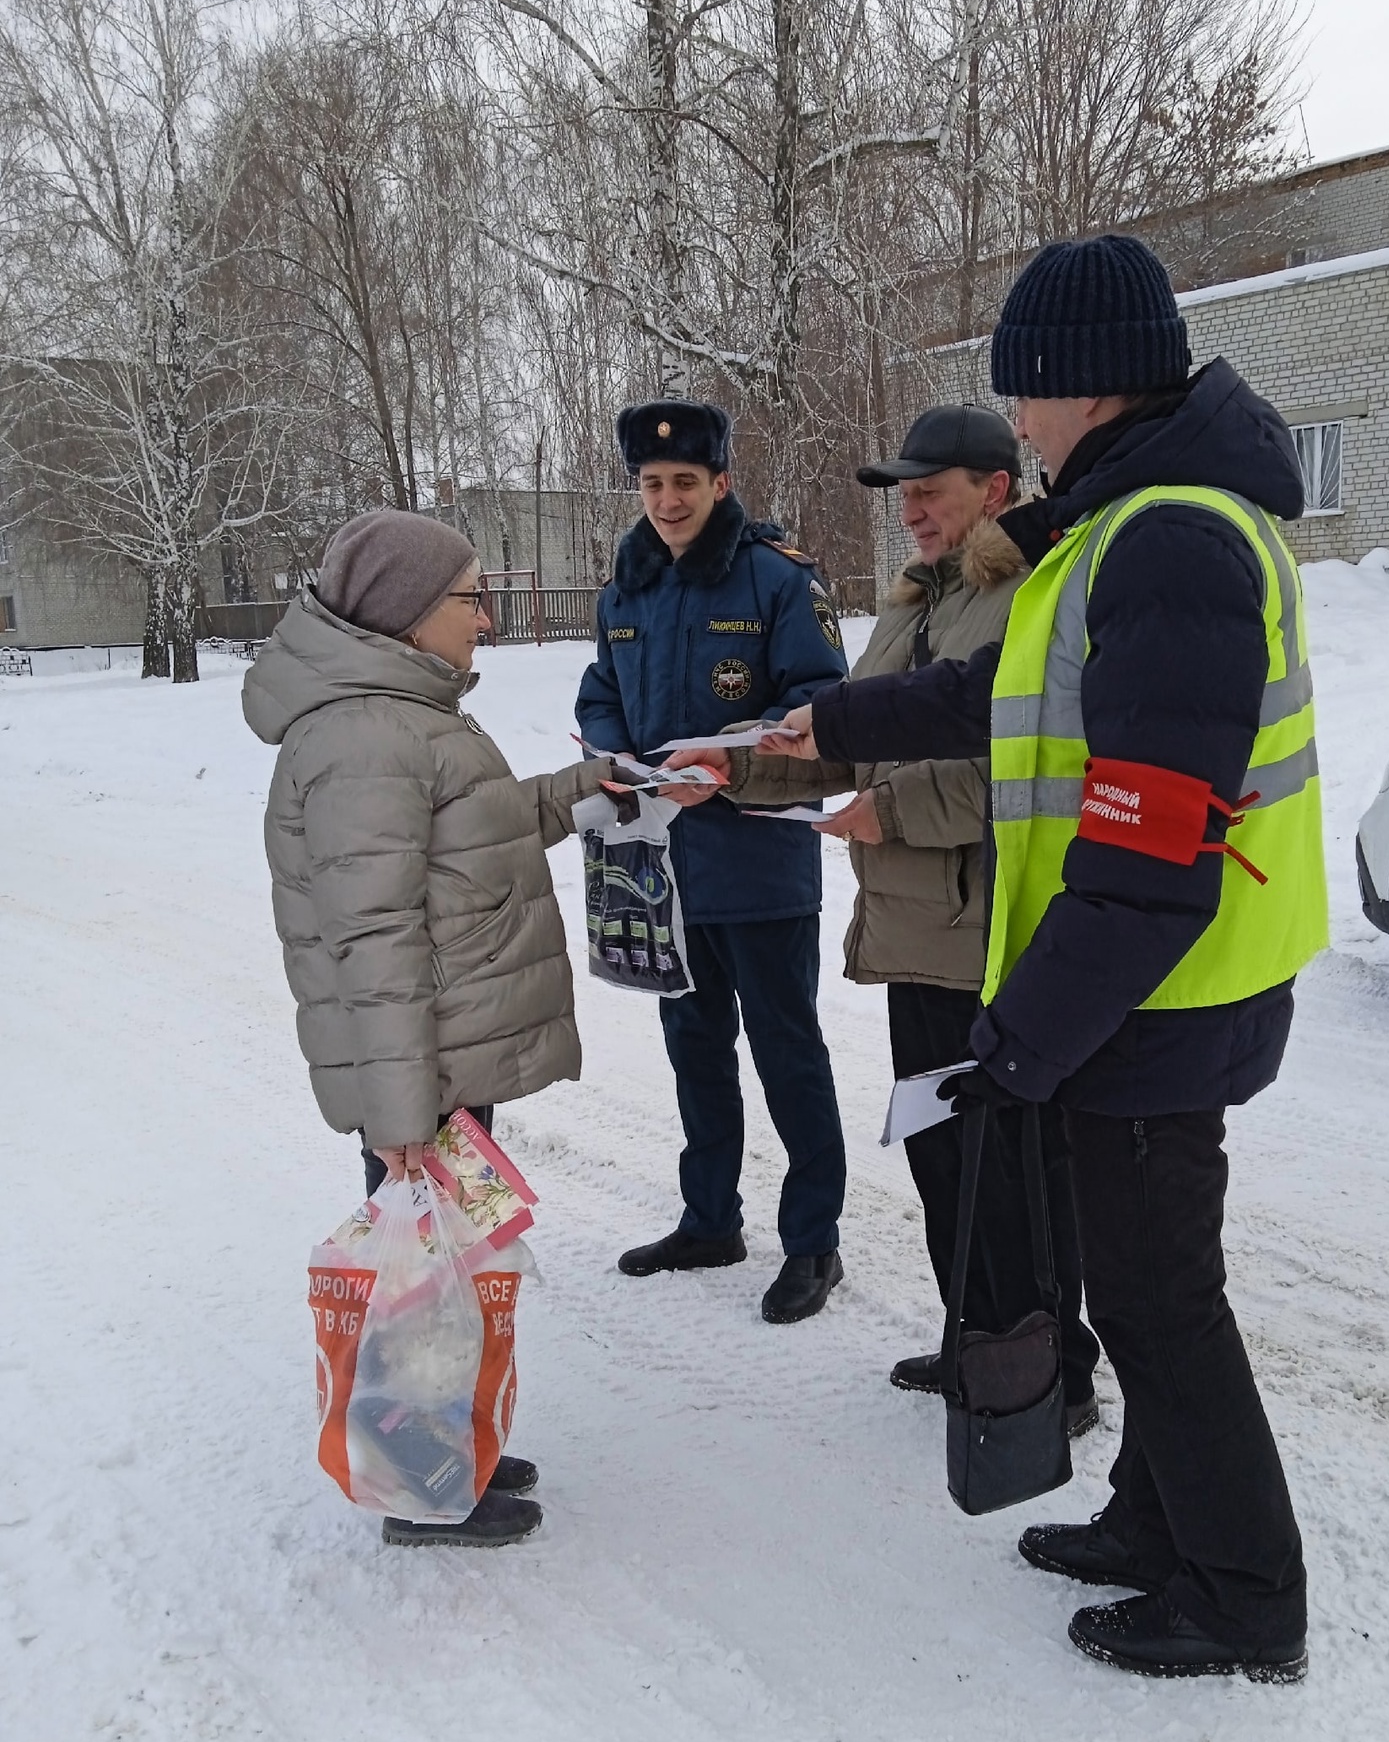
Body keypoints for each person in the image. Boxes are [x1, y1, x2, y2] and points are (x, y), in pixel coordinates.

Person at [761, 235, 1328, 1683]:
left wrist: (1022, 1047)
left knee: (1157, 1300)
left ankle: (1246, 1595)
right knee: (1143, 1288)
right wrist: (832, 723)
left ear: (1084, 383)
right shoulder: (1127, 529)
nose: (1019, 423)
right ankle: (1155, 1520)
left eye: (1030, 395)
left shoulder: (1175, 542)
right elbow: (1000, 695)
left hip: (1160, 1001)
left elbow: (1150, 861)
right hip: (1146, 1002)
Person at [686, 405, 1101, 1430]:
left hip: (991, 936)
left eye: (930, 489)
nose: (909, 509)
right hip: (914, 934)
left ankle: (1051, 1373)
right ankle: (979, 1338)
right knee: (942, 1154)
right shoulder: (921, 600)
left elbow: (1033, 765)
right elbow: (849, 737)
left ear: (996, 489)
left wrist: (894, 809)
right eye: (902, 493)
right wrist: (734, 769)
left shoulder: (1027, 600)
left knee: (1014, 1171)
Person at [243, 508, 611, 1550]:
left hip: (445, 1053)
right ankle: (420, 1477)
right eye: (471, 597)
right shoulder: (366, 734)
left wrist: (593, 787)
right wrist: (400, 1114)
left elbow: (473, 832)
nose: (488, 618)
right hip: (424, 1067)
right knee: (425, 1275)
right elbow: (374, 932)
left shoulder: (404, 714)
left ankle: (455, 1438)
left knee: (453, 1261)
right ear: (408, 615)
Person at [576, 400, 850, 1324]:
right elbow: (601, 694)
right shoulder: (627, 588)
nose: (667, 500)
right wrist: (619, 764)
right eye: (652, 484)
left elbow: (823, 705)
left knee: (788, 1057)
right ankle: (710, 1219)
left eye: (685, 482)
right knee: (694, 1052)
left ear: (721, 482)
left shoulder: (776, 582)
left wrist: (729, 766)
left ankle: (814, 1243)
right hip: (665, 866)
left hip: (762, 863)